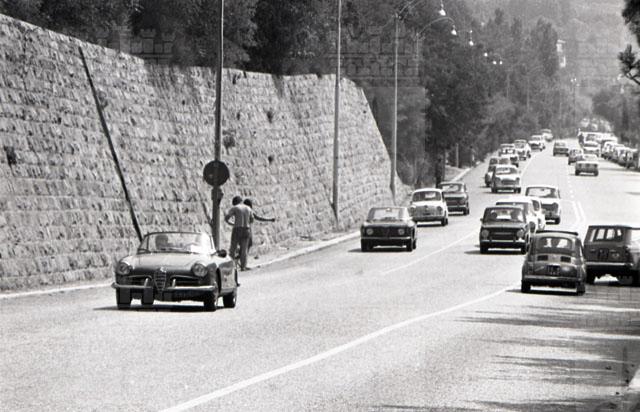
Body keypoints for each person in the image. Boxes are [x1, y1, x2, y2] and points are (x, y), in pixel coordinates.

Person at [224, 196, 253, 271]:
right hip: (246, 229)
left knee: (233, 248)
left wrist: (231, 223)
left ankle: (231, 267)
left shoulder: (235, 208)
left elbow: (226, 218)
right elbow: (252, 220)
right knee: (244, 249)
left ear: (235, 203)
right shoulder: (248, 208)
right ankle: (243, 267)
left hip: (237, 229)